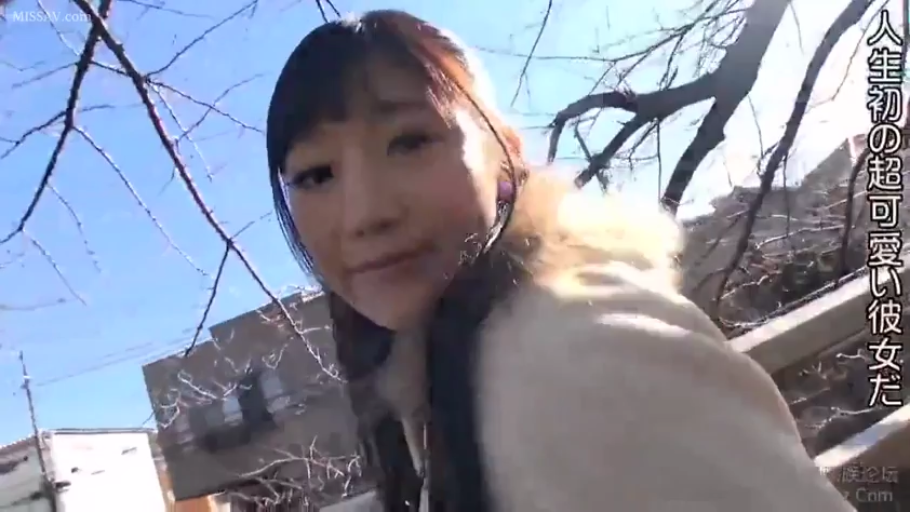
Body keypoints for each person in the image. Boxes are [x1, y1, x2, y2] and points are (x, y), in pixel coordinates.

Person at [266, 9, 856, 512]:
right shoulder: (446, 366)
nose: (365, 213)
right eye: (316, 175)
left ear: (506, 154)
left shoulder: (588, 352)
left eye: (410, 141)